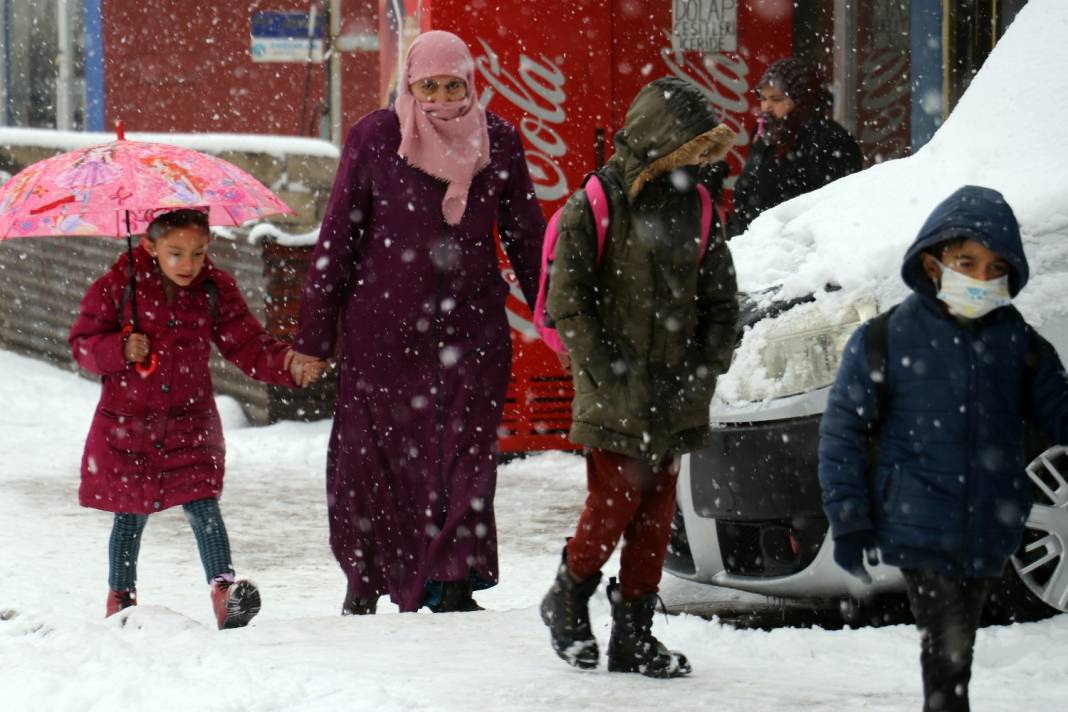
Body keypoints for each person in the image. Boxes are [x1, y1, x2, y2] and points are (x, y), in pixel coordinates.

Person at [293, 30, 546, 615]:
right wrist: (313, 336)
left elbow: (526, 236)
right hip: (382, 334)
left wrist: (555, 319)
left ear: (470, 83)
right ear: (408, 85)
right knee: (372, 461)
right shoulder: (376, 137)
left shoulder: (498, 141)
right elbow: (338, 238)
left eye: (451, 85)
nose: (438, 97)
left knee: (466, 459)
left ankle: (454, 581)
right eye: (426, 85)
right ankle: (367, 579)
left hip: (472, 330)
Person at [818, 186, 1068, 711]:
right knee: (948, 649)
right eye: (966, 263)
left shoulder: (1018, 343)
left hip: (989, 525)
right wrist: (849, 519)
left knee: (960, 646)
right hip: (919, 522)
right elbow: (843, 432)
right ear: (934, 266)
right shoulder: (886, 338)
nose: (980, 278)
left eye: (994, 267)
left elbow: (1059, 409)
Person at [538, 77, 739, 678]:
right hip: (613, 389)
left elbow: (720, 301)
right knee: (614, 502)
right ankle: (569, 598)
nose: (701, 164)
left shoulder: (699, 209)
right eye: (692, 151)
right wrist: (607, 371)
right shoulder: (596, 204)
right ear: (661, 144)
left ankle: (633, 634)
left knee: (655, 517)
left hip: (675, 391)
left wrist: (704, 368)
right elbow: (567, 302)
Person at [69, 208, 326, 629]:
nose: (189, 264)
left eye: (198, 252)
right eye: (176, 253)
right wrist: (119, 348)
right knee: (130, 513)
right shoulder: (118, 288)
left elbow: (247, 342)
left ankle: (225, 593)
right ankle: (122, 599)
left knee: (203, 504)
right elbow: (82, 344)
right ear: (150, 247)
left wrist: (288, 364)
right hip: (129, 423)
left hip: (190, 420)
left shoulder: (214, 289)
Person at [728, 57, 862, 237]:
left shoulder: (830, 140)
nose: (766, 107)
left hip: (796, 253)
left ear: (801, 100)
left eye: (776, 99)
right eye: (763, 98)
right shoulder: (766, 134)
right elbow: (748, 194)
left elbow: (835, 209)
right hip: (755, 249)